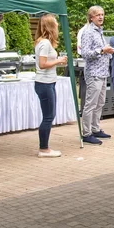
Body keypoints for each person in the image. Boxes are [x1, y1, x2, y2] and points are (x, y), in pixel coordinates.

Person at [33, 14, 67, 158]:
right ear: (51, 26)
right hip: (45, 83)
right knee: (48, 116)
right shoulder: (45, 43)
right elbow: (42, 64)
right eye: (56, 23)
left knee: (49, 115)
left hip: (47, 82)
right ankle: (44, 149)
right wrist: (58, 61)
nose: (58, 25)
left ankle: (44, 147)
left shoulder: (43, 42)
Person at [79, 6, 114, 145]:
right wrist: (101, 50)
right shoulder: (88, 32)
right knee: (91, 104)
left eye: (102, 14)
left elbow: (102, 50)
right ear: (91, 17)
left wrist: (109, 51)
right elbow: (85, 53)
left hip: (103, 72)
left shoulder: (99, 31)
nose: (101, 17)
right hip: (93, 73)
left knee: (100, 103)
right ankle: (86, 133)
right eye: (97, 15)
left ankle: (95, 128)